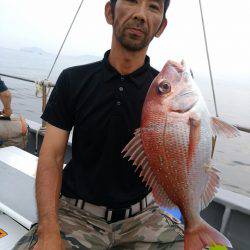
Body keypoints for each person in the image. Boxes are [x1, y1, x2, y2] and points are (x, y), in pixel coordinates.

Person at [14, 0, 184, 249]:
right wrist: (49, 230)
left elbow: (177, 160)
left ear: (161, 27)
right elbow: (51, 156)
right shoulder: (73, 80)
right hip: (75, 214)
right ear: (109, 12)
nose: (140, 14)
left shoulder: (166, 95)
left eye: (153, 7)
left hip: (144, 218)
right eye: (132, 1)